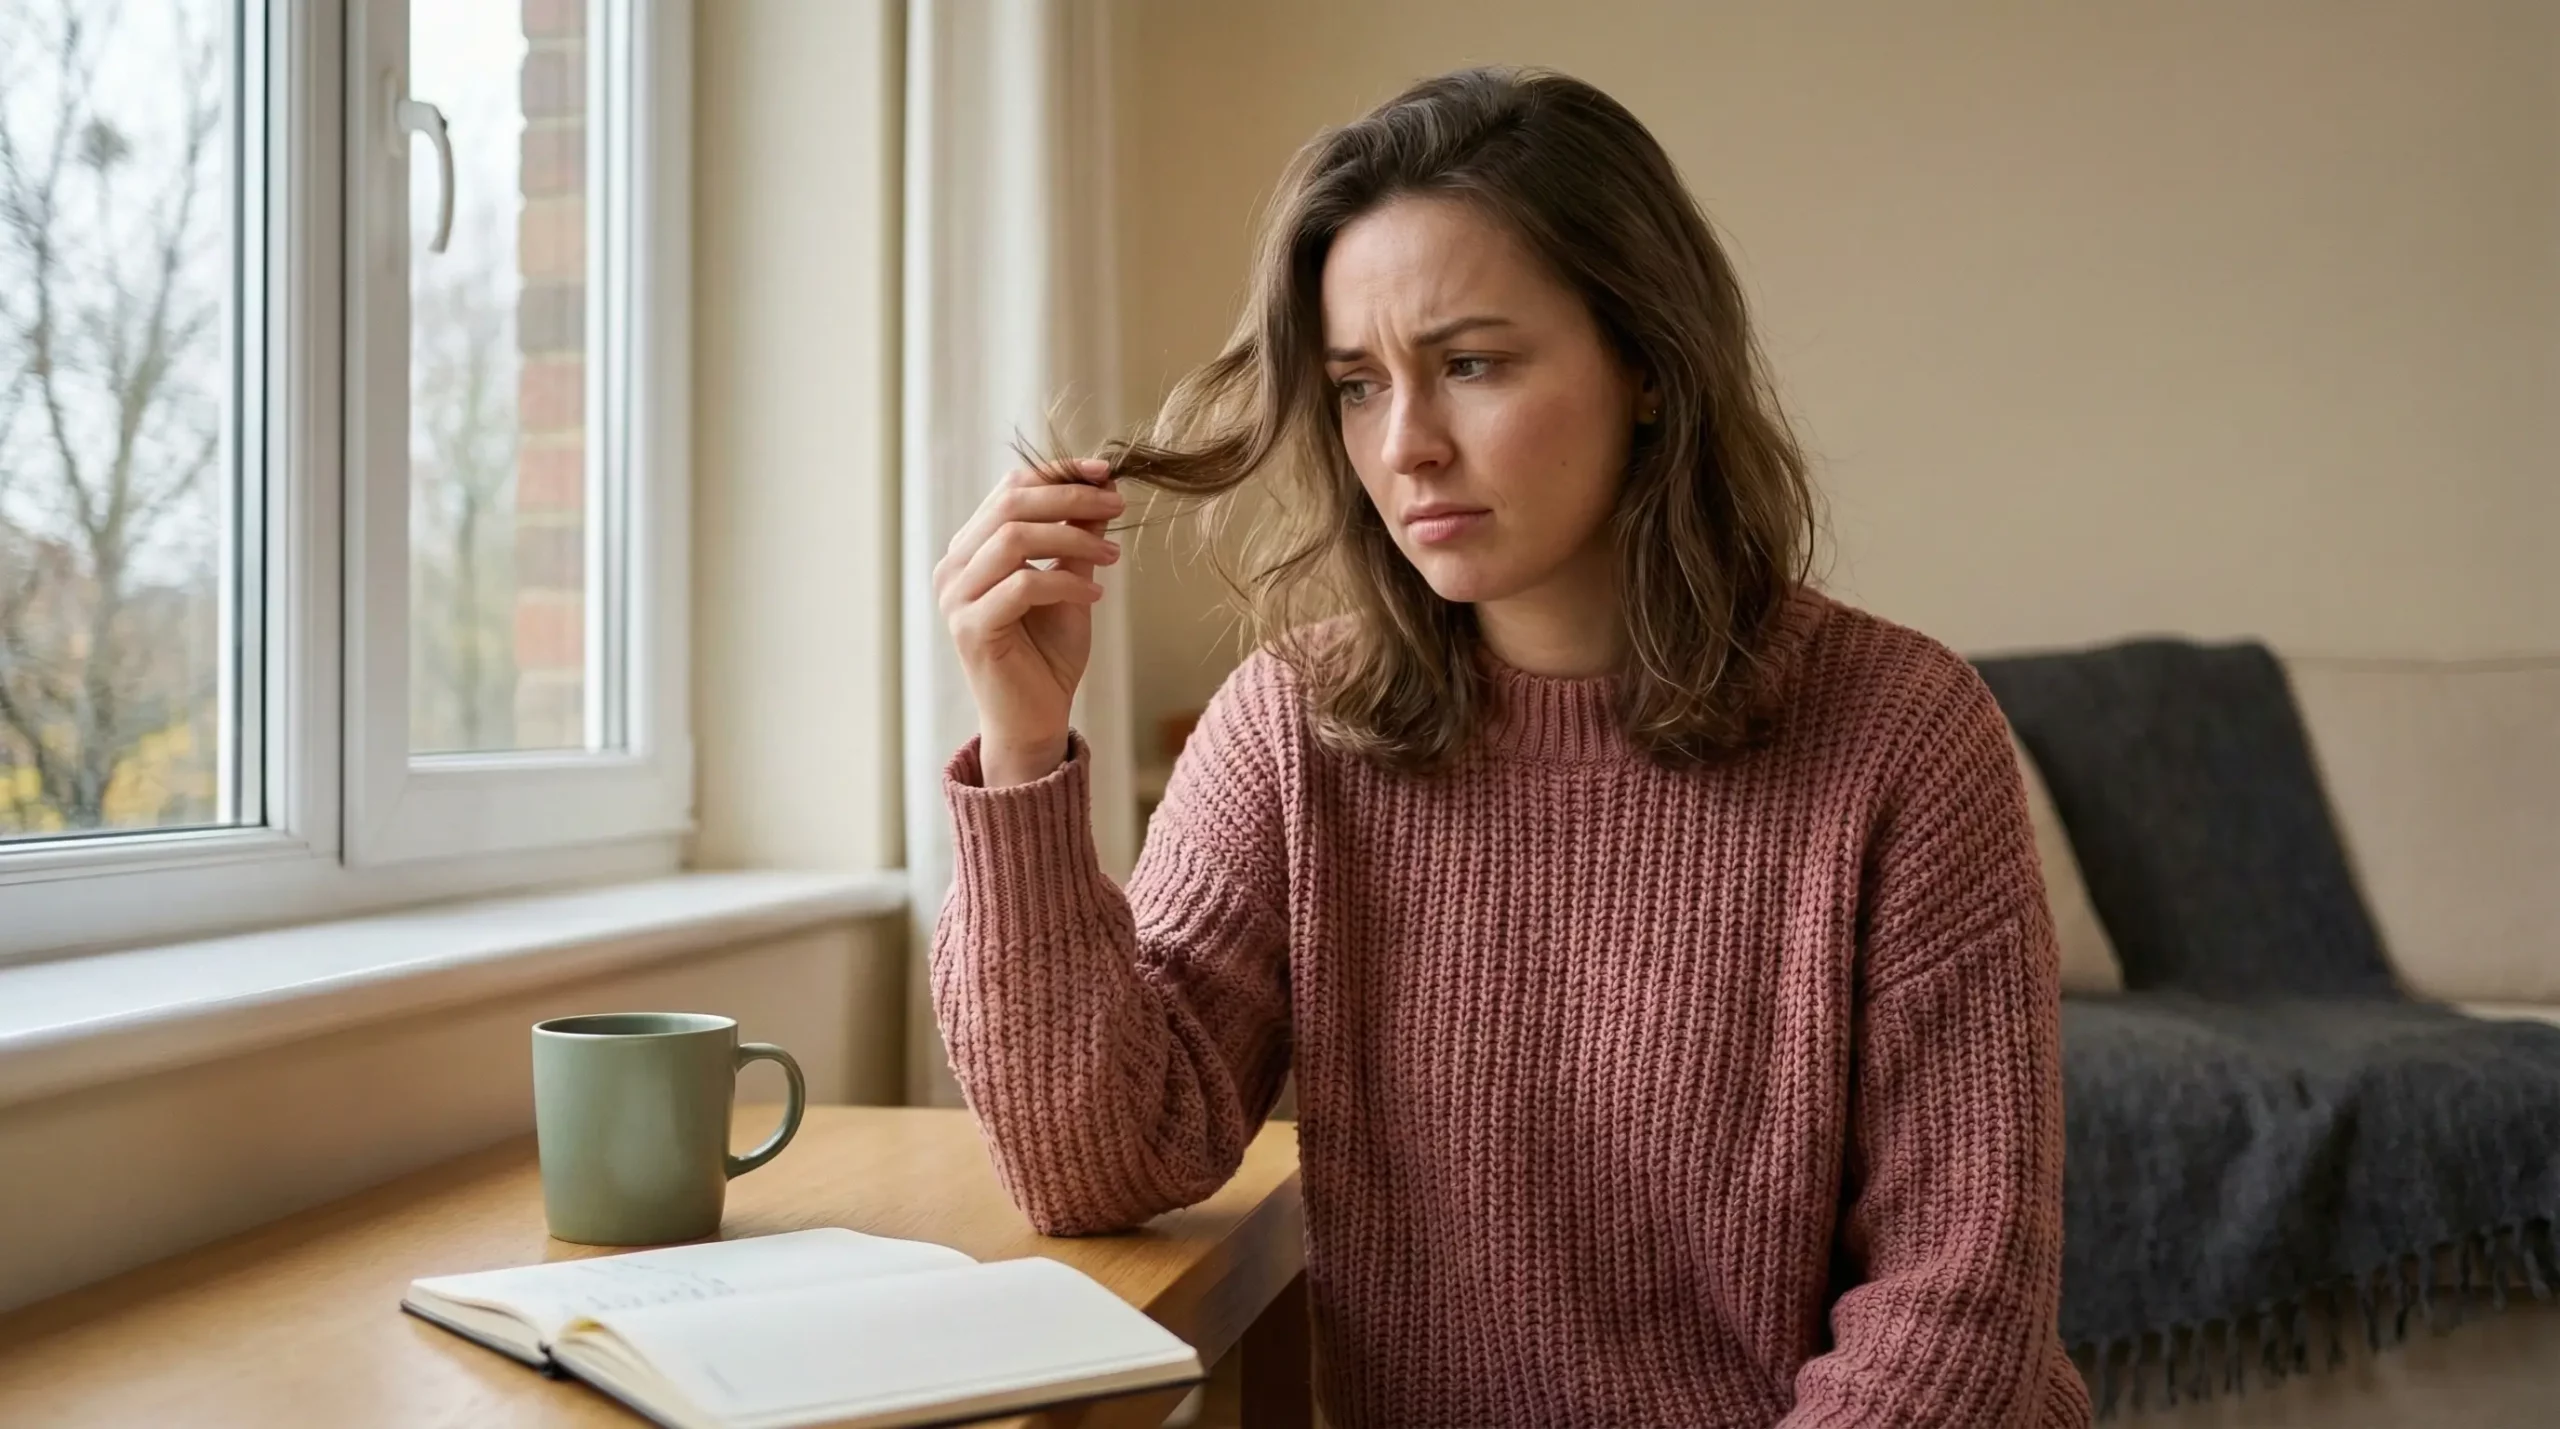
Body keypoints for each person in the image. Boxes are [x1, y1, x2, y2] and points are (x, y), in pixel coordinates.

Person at [930, 66, 2088, 1429]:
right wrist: (1021, 745)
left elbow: (1959, 1306)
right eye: (1359, 385)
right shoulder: (1295, 728)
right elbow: (1104, 1164)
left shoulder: (1901, 733)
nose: (1407, 445)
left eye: (1470, 364)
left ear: (1649, 366)